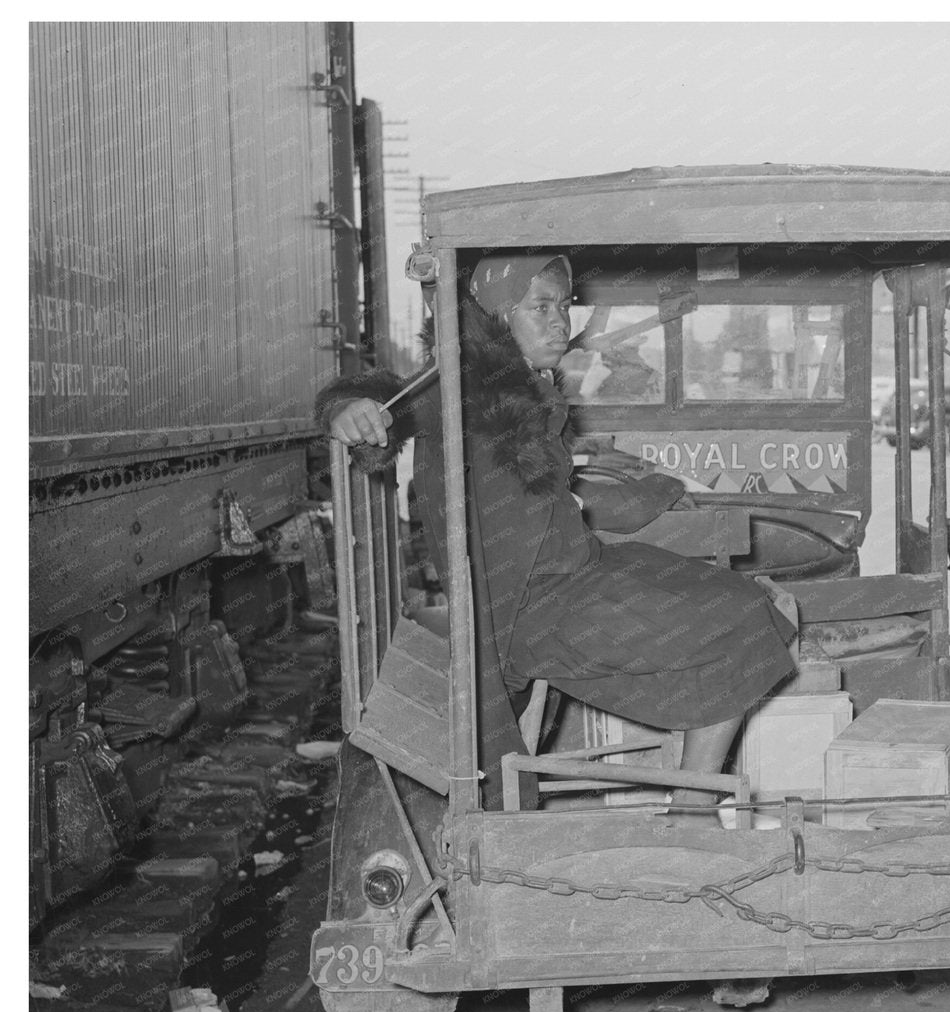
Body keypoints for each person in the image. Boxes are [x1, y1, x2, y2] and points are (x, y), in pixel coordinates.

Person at [317, 253, 796, 815]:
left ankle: (692, 799)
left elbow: (548, 492)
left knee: (746, 601)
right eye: (539, 307)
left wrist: (652, 493)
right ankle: (692, 805)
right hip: (532, 611)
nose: (560, 322)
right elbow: (386, 406)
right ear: (497, 320)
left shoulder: (525, 390)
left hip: (575, 576)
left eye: (563, 306)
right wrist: (345, 408)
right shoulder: (464, 393)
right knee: (742, 616)